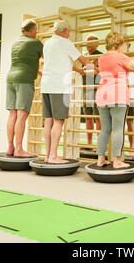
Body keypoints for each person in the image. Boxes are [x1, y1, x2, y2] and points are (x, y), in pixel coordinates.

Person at [96, 32, 134, 168]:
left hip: (102, 95)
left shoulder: (101, 58)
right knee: (118, 129)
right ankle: (117, 161)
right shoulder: (121, 57)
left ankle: (100, 159)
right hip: (117, 95)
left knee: (105, 129)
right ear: (119, 44)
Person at [41, 20, 90, 164]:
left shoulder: (48, 43)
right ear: (65, 31)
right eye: (68, 31)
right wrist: (95, 67)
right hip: (59, 86)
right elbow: (82, 59)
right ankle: (54, 156)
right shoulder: (65, 43)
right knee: (59, 120)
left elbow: (61, 62)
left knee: (48, 120)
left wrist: (78, 70)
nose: (68, 34)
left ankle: (48, 155)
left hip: (47, 85)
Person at [6, 19, 44, 158]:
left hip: (11, 79)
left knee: (13, 114)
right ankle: (19, 149)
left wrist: (36, 71)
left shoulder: (16, 42)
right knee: (22, 115)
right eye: (36, 30)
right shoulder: (35, 43)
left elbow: (23, 61)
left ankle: (11, 147)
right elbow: (49, 58)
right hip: (24, 80)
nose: (37, 32)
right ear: (33, 30)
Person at [82, 34, 103, 149]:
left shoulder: (100, 55)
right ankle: (89, 144)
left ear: (96, 43)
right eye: (87, 42)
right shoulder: (84, 56)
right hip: (86, 89)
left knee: (97, 117)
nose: (88, 45)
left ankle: (99, 144)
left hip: (97, 89)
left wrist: (94, 66)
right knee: (88, 116)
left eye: (91, 42)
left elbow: (102, 71)